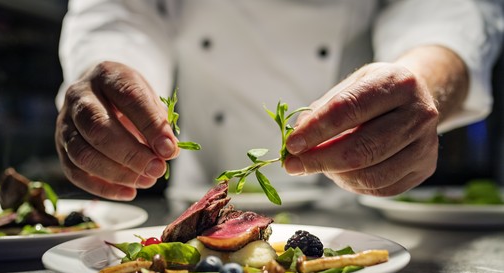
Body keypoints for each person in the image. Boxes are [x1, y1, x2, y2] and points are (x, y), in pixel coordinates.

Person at [55, 0, 504, 201]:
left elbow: (450, 10)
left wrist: (422, 77)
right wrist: (109, 87)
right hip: (197, 193)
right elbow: (117, 12)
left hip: (349, 205)